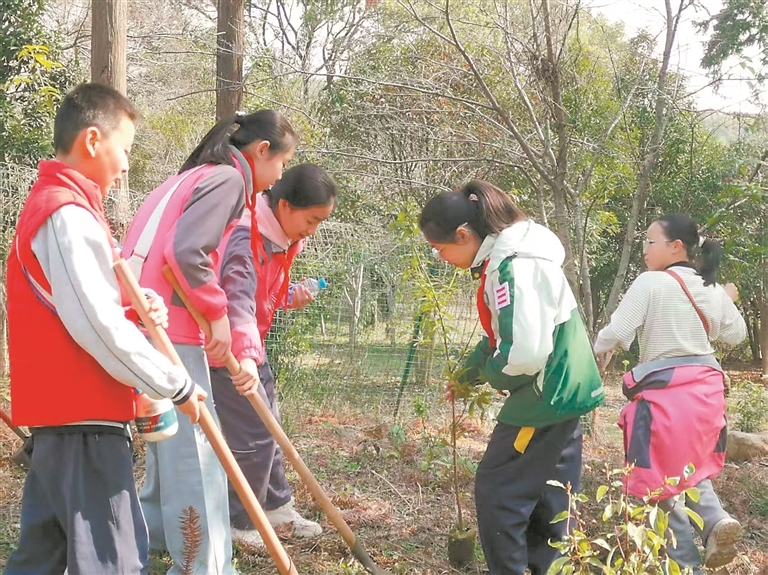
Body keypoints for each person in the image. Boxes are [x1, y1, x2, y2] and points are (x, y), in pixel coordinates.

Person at [3, 83, 207, 575]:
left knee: (42, 560)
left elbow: (85, 302)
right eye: (126, 149)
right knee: (112, 561)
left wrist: (134, 304)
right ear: (93, 141)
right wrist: (174, 383)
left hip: (64, 425)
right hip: (84, 423)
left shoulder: (67, 209)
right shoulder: (66, 213)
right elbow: (95, 324)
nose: (127, 165)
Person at [121, 110, 296, 573]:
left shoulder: (190, 176)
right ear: (262, 151)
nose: (280, 175)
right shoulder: (228, 180)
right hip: (169, 328)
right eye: (282, 163)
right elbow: (186, 252)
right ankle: (205, 565)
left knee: (169, 444)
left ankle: (154, 538)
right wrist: (217, 317)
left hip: (144, 323)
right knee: (197, 454)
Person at [419, 180, 605, 575]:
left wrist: (492, 374)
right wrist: (467, 375)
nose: (441, 258)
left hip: (544, 395)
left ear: (463, 235)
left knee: (499, 491)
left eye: (439, 248)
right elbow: (500, 338)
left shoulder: (513, 266)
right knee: (551, 496)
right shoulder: (514, 256)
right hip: (565, 391)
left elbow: (524, 353)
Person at [594, 213, 747, 573]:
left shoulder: (650, 282)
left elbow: (617, 331)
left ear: (676, 247)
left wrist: (595, 348)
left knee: (660, 482)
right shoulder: (709, 287)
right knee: (688, 467)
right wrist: (724, 298)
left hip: (665, 396)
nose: (645, 250)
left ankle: (685, 564)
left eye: (650, 242)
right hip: (707, 395)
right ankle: (714, 520)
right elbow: (737, 334)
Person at [209, 163, 337, 547]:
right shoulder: (247, 236)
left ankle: (276, 506)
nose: (313, 230)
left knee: (271, 428)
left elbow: (262, 295)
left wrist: (288, 297)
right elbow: (236, 300)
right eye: (311, 220)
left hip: (251, 346)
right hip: (226, 352)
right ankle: (241, 521)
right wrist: (246, 357)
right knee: (253, 436)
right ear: (285, 206)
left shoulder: (281, 239)